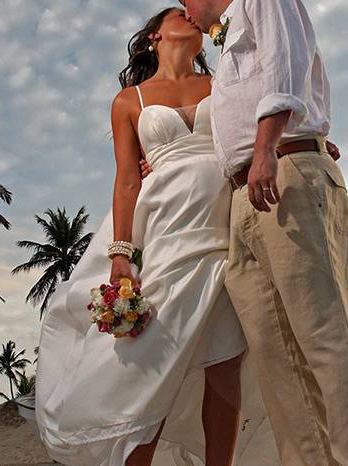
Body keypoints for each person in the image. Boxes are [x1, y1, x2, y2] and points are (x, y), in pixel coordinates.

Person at [35, 8, 277, 466]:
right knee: (157, 361)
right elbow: (127, 179)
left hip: (226, 225)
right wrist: (121, 255)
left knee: (225, 365)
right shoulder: (130, 100)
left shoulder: (221, 83)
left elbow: (257, 131)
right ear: (154, 35)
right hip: (167, 227)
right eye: (179, 13)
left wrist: (306, 141)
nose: (191, 15)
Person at [180, 0, 348, 465]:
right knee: (278, 359)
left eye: (183, 2)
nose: (186, 13)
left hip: (282, 174)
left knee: (325, 338)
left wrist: (270, 146)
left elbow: (285, 63)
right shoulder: (225, 38)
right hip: (246, 192)